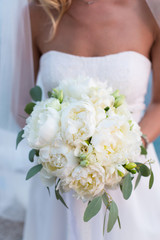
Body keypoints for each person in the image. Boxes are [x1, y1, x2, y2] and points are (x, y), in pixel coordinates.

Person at [20, 0, 160, 239]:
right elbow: (24, 107)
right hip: (58, 186)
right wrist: (59, 145)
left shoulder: (151, 11)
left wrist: (118, 156)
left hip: (129, 178)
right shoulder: (37, 13)